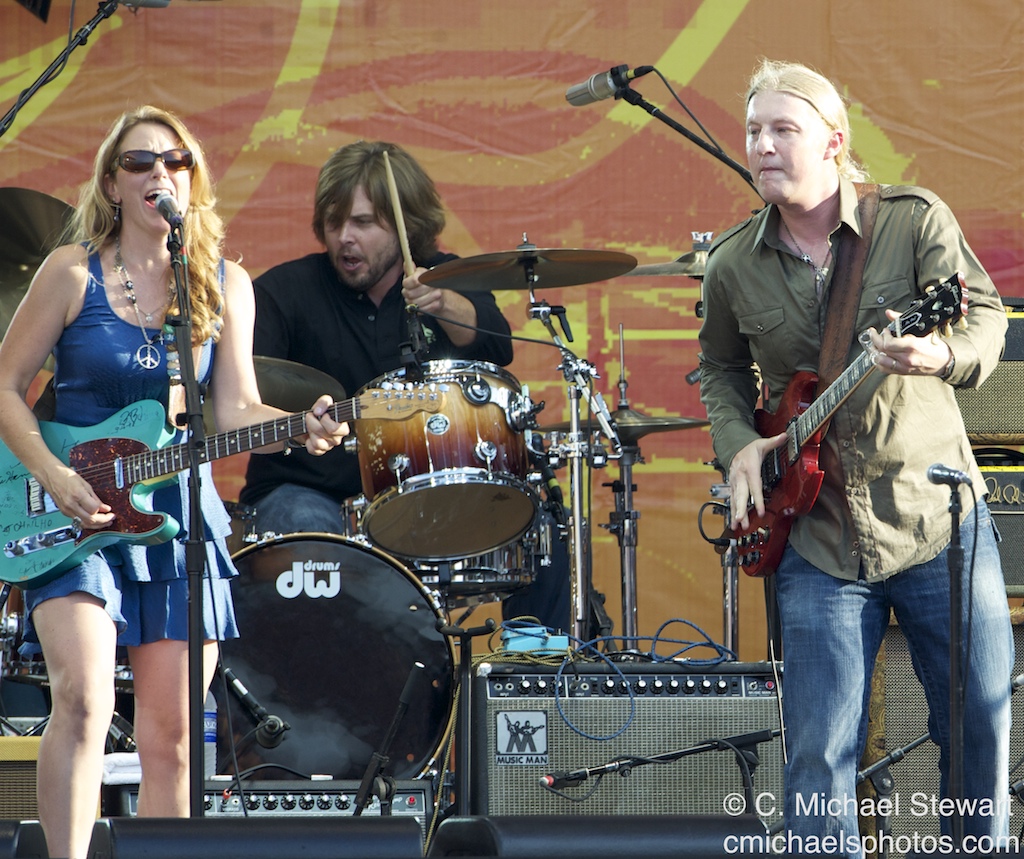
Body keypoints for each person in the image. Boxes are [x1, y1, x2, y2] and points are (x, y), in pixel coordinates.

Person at [0, 106, 346, 859]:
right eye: (139, 162)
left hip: (176, 516)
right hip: (75, 511)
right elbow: (5, 385)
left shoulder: (224, 283)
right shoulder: (72, 272)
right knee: (84, 700)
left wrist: (300, 425)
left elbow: (235, 411)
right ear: (112, 184)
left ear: (192, 179)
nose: (160, 173)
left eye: (176, 160)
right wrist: (54, 475)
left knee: (176, 736)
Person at [697, 59, 1012, 856]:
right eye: (754, 131)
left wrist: (941, 355)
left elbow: (984, 318)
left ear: (835, 141)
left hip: (937, 520)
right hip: (819, 535)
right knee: (818, 751)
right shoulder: (731, 263)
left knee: (978, 722)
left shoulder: (911, 221)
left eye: (783, 129)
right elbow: (721, 370)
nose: (762, 145)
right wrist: (738, 446)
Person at [239, 139, 516, 541]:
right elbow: (241, 398)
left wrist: (445, 303)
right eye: (334, 223)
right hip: (304, 490)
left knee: (515, 524)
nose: (344, 237)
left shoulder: (445, 275)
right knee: (309, 526)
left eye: (363, 223)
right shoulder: (284, 291)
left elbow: (498, 348)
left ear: (408, 226)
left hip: (423, 490)